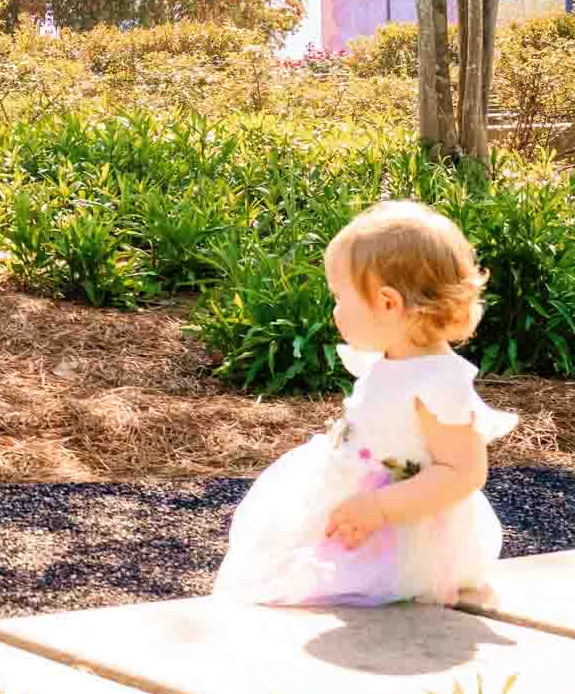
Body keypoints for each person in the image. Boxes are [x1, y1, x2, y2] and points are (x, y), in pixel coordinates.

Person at [214, 200, 510, 608]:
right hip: (364, 509)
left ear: (388, 303)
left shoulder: (437, 384)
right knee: (284, 569)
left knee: (306, 590)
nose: (334, 309)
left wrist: (380, 507)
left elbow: (464, 472)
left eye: (339, 296)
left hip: (408, 533)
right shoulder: (391, 362)